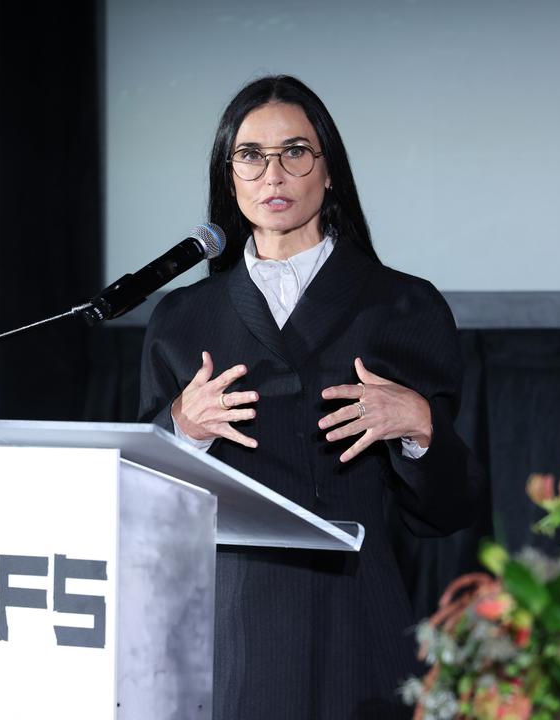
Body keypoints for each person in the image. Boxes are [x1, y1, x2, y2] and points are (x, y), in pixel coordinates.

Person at [138, 75, 486, 719]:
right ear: (230, 176)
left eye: (295, 151)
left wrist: (420, 428)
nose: (273, 173)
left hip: (355, 622)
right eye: (250, 155)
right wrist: (181, 427)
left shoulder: (404, 305)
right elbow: (142, 504)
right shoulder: (182, 318)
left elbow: (451, 509)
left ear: (329, 172)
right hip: (228, 631)